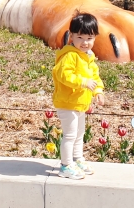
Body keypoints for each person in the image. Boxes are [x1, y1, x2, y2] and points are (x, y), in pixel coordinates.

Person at [52, 13, 105, 179]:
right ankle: (66, 165)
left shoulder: (88, 57)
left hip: (80, 103)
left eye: (89, 38)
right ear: (71, 35)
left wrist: (98, 91)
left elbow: (95, 77)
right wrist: (83, 82)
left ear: (95, 37)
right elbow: (63, 74)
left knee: (79, 133)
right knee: (69, 135)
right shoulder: (70, 56)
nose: (85, 42)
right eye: (80, 37)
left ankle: (77, 159)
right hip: (68, 103)